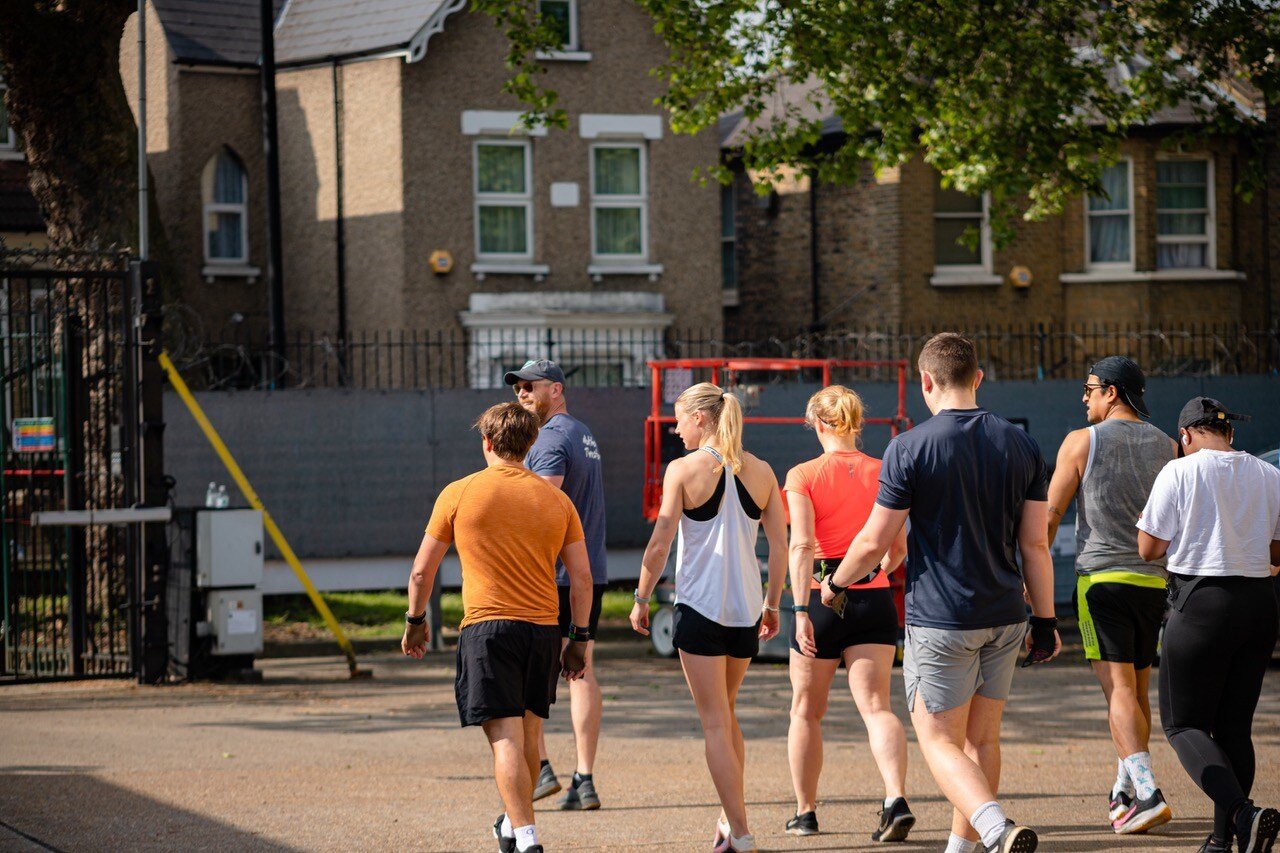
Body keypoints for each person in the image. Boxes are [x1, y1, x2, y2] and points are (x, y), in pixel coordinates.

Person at [821, 332, 1060, 853]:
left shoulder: (909, 446)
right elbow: (1036, 544)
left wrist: (835, 581)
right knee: (983, 740)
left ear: (926, 381)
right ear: (978, 378)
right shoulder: (1022, 444)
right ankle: (962, 847)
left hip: (943, 620)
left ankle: (996, 830)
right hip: (1006, 614)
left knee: (937, 741)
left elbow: (874, 541)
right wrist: (1045, 621)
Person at [401, 402, 593, 853]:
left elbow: (421, 572)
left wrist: (415, 621)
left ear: (486, 442)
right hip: (543, 630)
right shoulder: (557, 500)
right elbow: (581, 578)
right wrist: (579, 639)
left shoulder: (459, 493)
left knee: (504, 736)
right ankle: (511, 825)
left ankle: (527, 840)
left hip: (488, 629)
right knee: (527, 732)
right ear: (530, 444)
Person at [629, 382, 788, 853]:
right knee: (727, 716)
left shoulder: (683, 470)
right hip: (744, 613)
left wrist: (641, 597)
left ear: (700, 418)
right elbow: (780, 544)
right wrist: (773, 604)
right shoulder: (760, 470)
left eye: (678, 419)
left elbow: (660, 544)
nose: (675, 430)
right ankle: (728, 819)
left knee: (716, 723)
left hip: (699, 610)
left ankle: (740, 832)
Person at [1136, 396, 1280, 853]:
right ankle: (1222, 840)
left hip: (1200, 603)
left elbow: (1148, 548)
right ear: (1230, 434)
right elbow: (1278, 553)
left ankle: (1243, 814)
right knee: (1234, 727)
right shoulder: (1269, 474)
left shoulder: (1179, 471)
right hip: (1259, 602)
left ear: (1185, 436)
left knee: (1183, 725)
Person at [1045, 356, 1176, 834]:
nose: (1084, 397)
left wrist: (1028, 574)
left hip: (1101, 581)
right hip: (1153, 582)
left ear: (1113, 392)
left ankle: (1147, 791)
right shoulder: (1167, 444)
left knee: (1119, 691)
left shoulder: (1081, 442)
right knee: (1137, 691)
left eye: (1090, 388)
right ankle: (1124, 788)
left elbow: (1050, 515)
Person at [783, 385, 914, 841]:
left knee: (805, 711)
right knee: (878, 707)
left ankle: (805, 812)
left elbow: (800, 545)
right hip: (873, 596)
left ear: (818, 424)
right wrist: (874, 571)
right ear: (856, 423)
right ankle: (894, 798)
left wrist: (799, 609)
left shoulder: (803, 474)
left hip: (820, 597)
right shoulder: (884, 470)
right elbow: (896, 549)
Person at [506, 360, 608, 811]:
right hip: (589, 575)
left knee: (534, 677)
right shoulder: (582, 433)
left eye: (531, 387)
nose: (523, 394)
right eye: (519, 388)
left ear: (556, 390)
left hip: (550, 577)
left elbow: (539, 510)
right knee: (581, 672)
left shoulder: (547, 440)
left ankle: (541, 767)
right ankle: (584, 779)